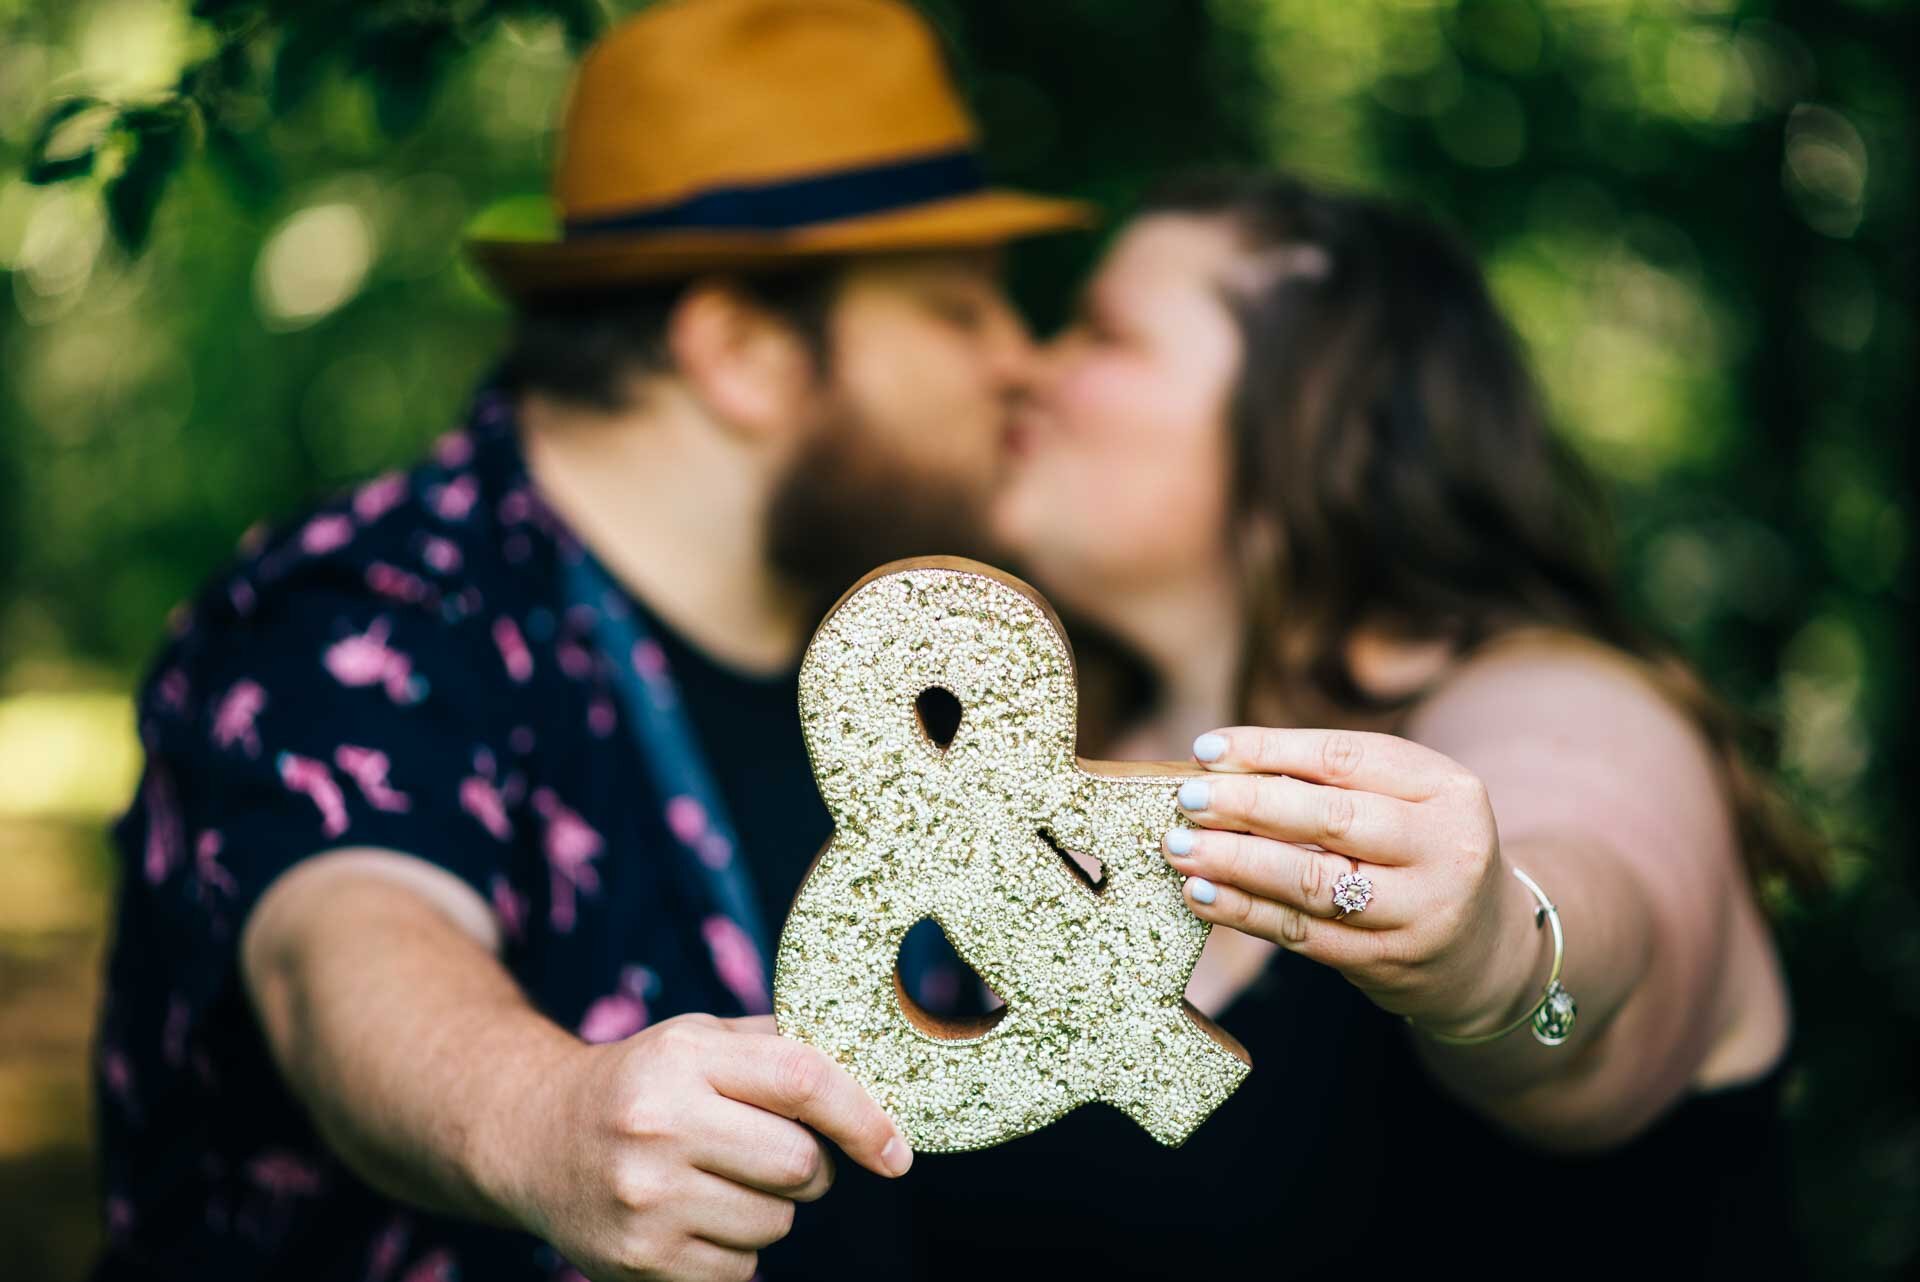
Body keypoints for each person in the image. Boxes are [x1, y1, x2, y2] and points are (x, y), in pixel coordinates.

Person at [88, 2, 1091, 1280]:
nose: (1024, 362)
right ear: (740, 352)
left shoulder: (897, 651)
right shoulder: (363, 615)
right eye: (961, 311)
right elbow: (341, 949)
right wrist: (548, 1118)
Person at [901, 170, 1825, 1279]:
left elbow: (1600, 885)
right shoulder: (1025, 760)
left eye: (1100, 332)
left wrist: (1494, 951)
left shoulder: (1558, 699)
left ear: (1313, 409)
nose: (1021, 367)